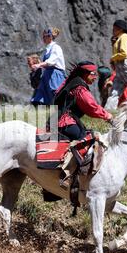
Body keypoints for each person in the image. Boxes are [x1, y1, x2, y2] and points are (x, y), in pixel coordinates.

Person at [53, 61, 113, 190]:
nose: (96, 77)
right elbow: (91, 107)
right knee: (84, 141)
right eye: (93, 74)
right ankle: (66, 175)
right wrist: (107, 116)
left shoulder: (74, 82)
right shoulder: (79, 87)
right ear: (85, 74)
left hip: (61, 120)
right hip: (65, 121)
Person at [30, 27, 66, 105]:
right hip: (48, 75)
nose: (43, 38)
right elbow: (47, 64)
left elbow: (51, 61)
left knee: (55, 97)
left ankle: (58, 116)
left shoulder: (56, 48)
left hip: (55, 76)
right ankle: (43, 116)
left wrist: (39, 64)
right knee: (42, 97)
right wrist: (38, 64)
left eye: (45, 36)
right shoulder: (48, 49)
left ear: (50, 37)